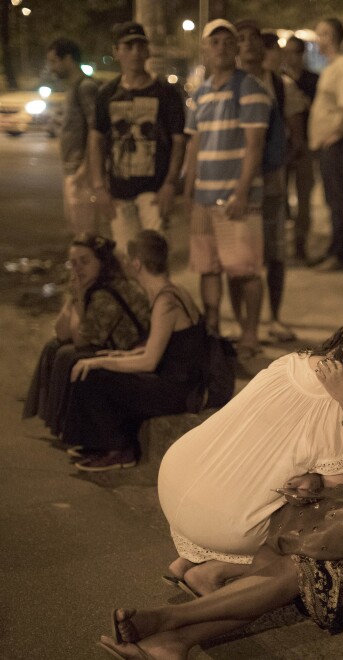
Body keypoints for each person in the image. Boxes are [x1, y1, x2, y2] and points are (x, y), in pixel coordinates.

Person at [98, 281, 343, 656]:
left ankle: (168, 620)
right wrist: (313, 478)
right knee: (275, 551)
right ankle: (172, 644)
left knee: (301, 570)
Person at [157, 330, 343, 595]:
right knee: (323, 524)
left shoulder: (290, 361)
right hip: (220, 521)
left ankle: (188, 559)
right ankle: (214, 572)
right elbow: (336, 493)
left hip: (175, 475)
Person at [63, 230, 205, 472]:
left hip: (178, 391)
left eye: (128, 260)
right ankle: (100, 444)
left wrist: (100, 364)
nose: (125, 264)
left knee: (95, 375)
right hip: (176, 383)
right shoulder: (171, 292)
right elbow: (159, 350)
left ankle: (119, 450)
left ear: (137, 264)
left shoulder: (166, 301)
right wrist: (117, 356)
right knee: (97, 362)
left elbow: (149, 362)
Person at [185, 19, 270, 359]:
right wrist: (189, 194)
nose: (220, 47)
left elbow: (255, 145)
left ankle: (250, 335)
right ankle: (212, 331)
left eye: (227, 41)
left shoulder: (249, 87)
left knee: (244, 270)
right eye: (214, 42)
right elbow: (194, 147)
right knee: (208, 267)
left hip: (237, 198)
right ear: (204, 50)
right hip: (204, 197)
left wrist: (242, 192)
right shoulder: (200, 94)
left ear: (235, 49)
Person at [23, 233, 150, 438]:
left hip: (130, 352)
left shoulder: (109, 292)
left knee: (69, 355)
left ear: (102, 262)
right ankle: (62, 424)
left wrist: (79, 299)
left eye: (84, 261)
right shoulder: (91, 286)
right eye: (73, 263)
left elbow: (82, 340)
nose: (78, 268)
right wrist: (74, 297)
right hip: (107, 345)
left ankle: (76, 430)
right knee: (53, 346)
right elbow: (62, 332)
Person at [232, 20, 306, 344]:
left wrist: (280, 162)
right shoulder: (226, 83)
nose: (248, 45)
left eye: (253, 39)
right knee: (238, 255)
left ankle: (273, 318)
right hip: (235, 182)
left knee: (275, 253)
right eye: (241, 39)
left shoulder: (278, 85)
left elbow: (297, 134)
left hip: (271, 181)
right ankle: (240, 323)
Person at [88, 22, 186, 251]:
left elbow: (179, 142)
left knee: (154, 256)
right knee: (126, 256)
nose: (135, 52)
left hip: (154, 191)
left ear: (148, 50)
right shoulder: (107, 94)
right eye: (128, 46)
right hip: (119, 192)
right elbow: (96, 140)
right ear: (116, 51)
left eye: (140, 46)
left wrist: (170, 184)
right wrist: (99, 186)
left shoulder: (166, 93)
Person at [308, 17, 343, 272]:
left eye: (324, 33)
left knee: (336, 197)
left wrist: (334, 134)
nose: (320, 39)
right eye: (318, 34)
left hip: (335, 144)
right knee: (330, 197)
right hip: (325, 144)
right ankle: (333, 250)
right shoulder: (328, 67)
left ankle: (340, 255)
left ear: (336, 36)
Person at [46, 38, 100, 235]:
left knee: (87, 235)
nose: (52, 68)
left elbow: (96, 129)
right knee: (77, 230)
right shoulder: (73, 87)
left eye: (54, 62)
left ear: (68, 59)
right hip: (72, 170)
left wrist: (85, 168)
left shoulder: (85, 87)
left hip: (81, 173)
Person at [283, 36, 319, 263]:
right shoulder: (279, 79)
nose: (291, 56)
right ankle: (280, 244)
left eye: (296, 51)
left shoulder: (314, 80)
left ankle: (300, 244)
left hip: (305, 144)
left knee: (305, 198)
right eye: (287, 51)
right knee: (279, 198)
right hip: (282, 147)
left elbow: (318, 110)